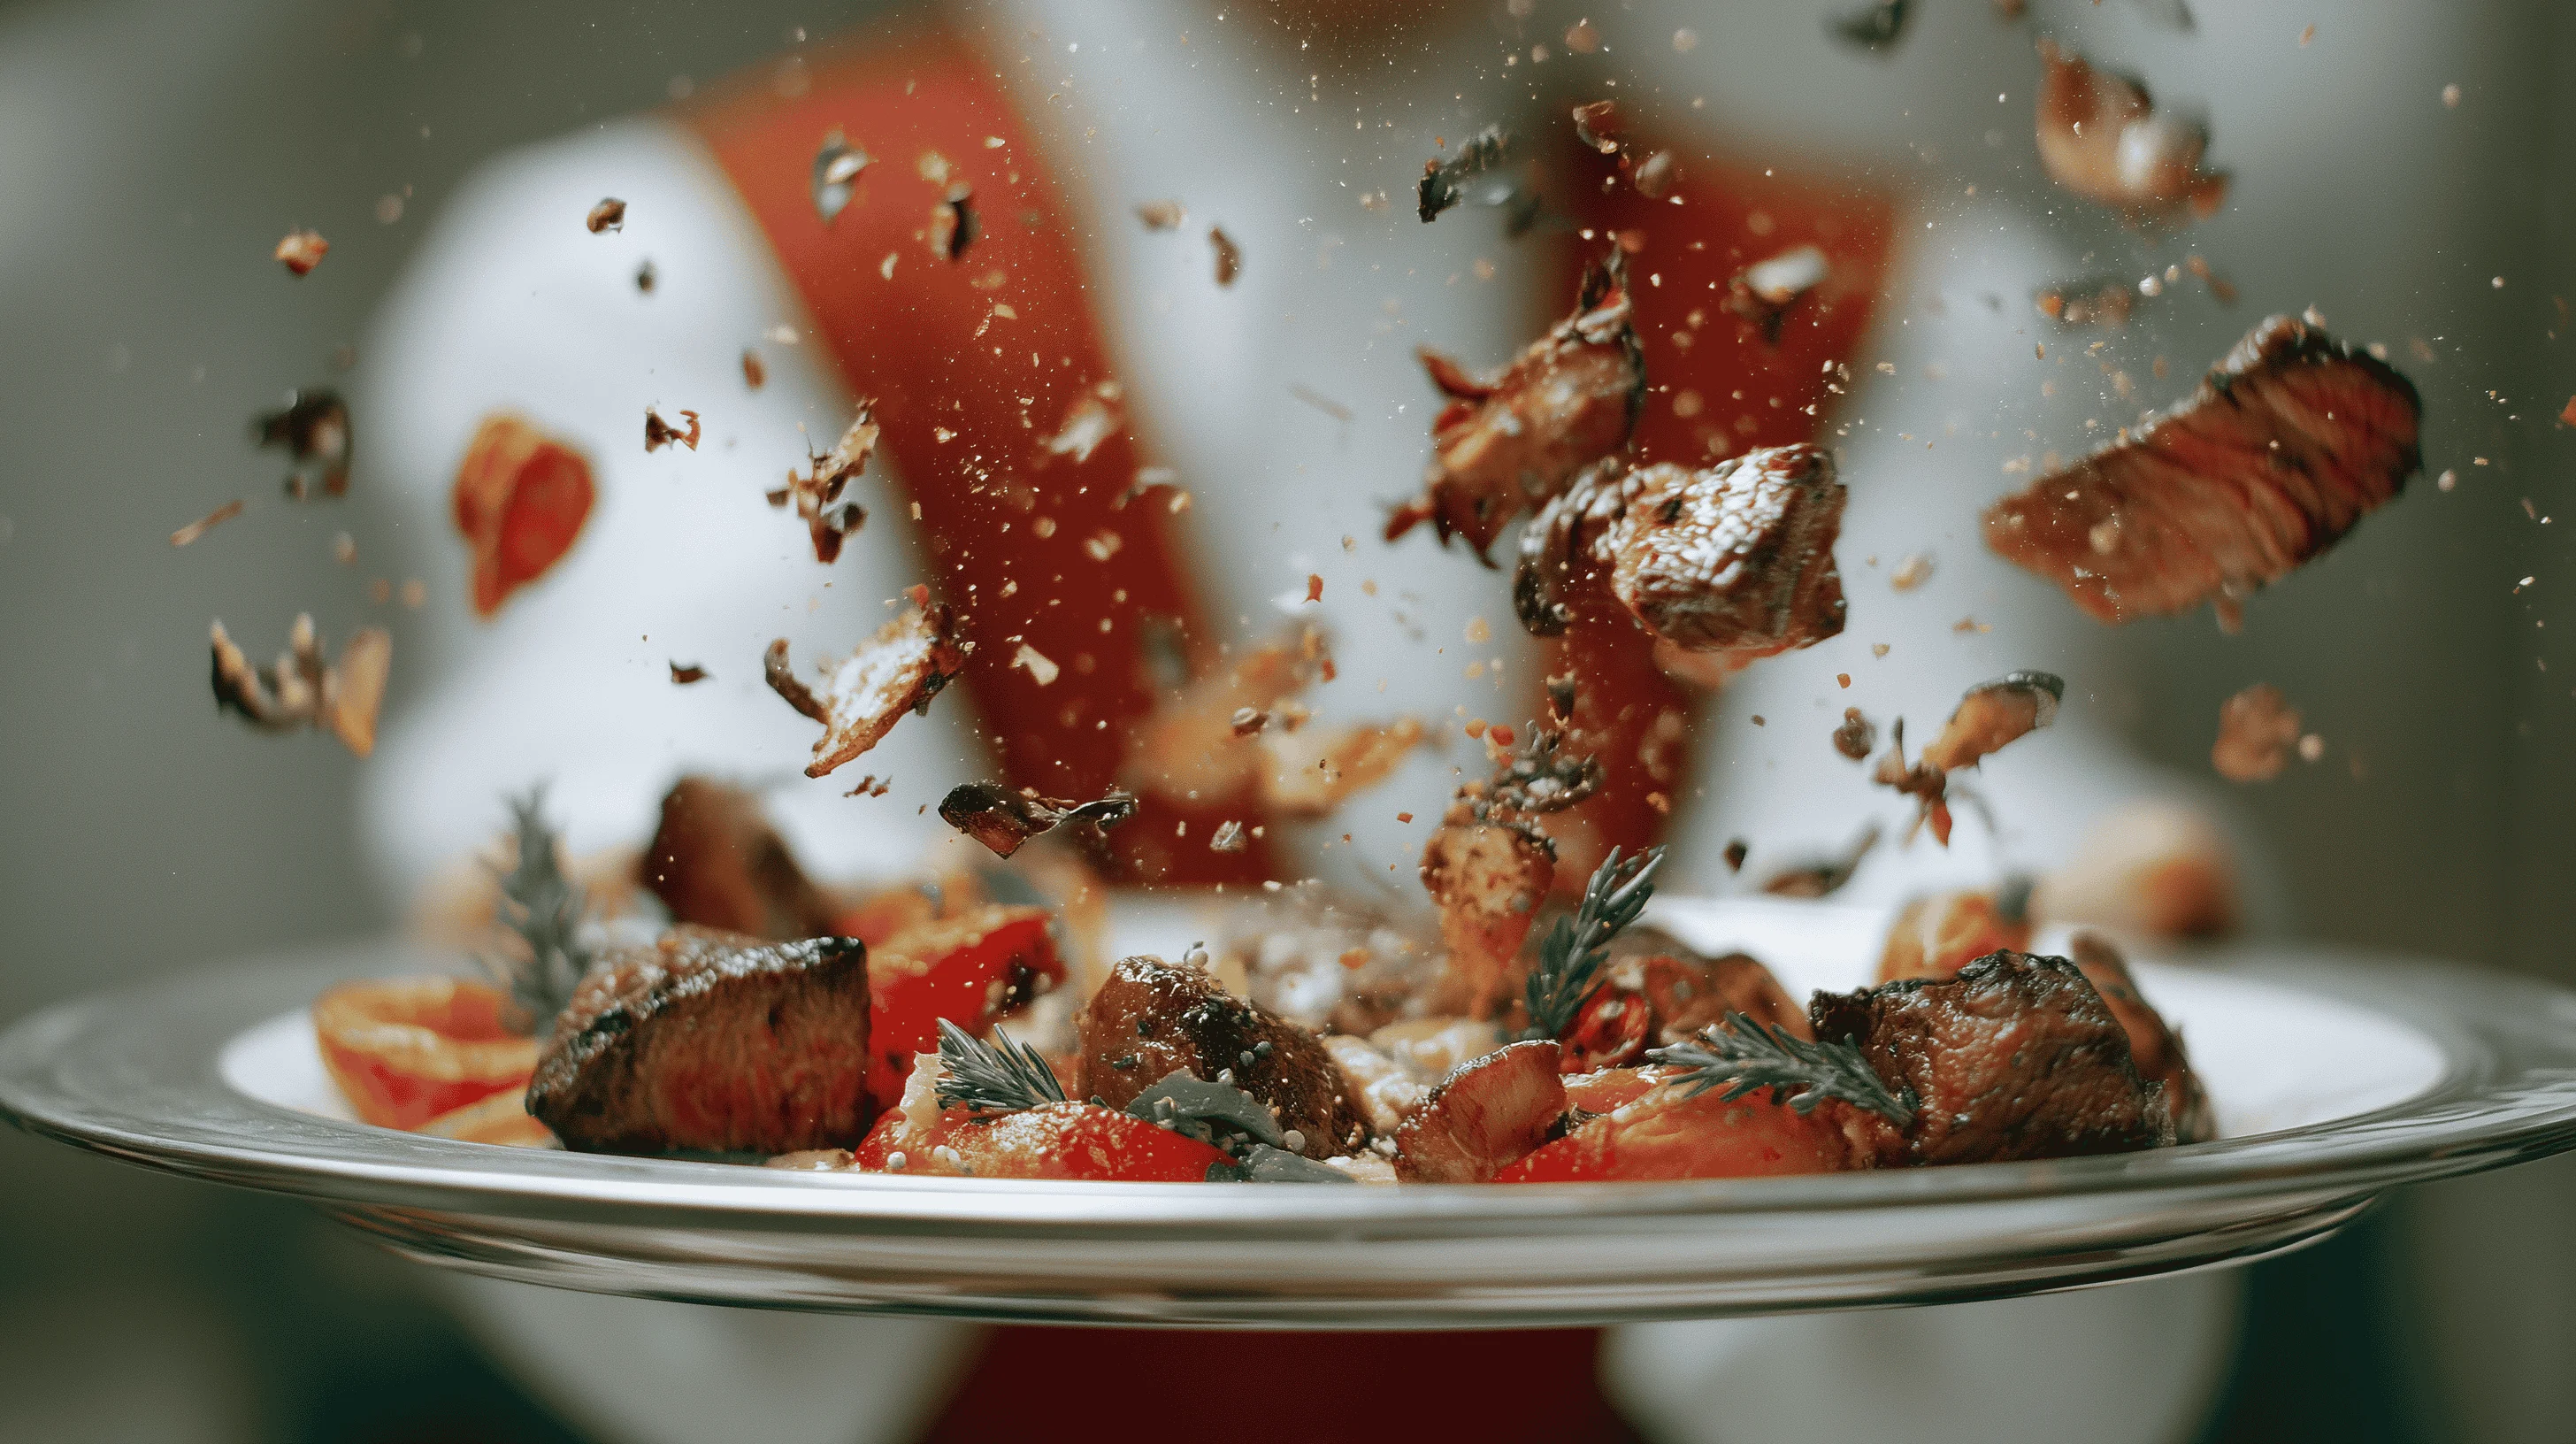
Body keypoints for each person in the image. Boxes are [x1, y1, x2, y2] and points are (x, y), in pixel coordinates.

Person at [358, 1, 2253, 1439]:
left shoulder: (1889, 303)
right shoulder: (675, 262)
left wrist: (2075, 921)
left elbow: (1946, 816)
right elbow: (660, 820)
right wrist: (638, 919)